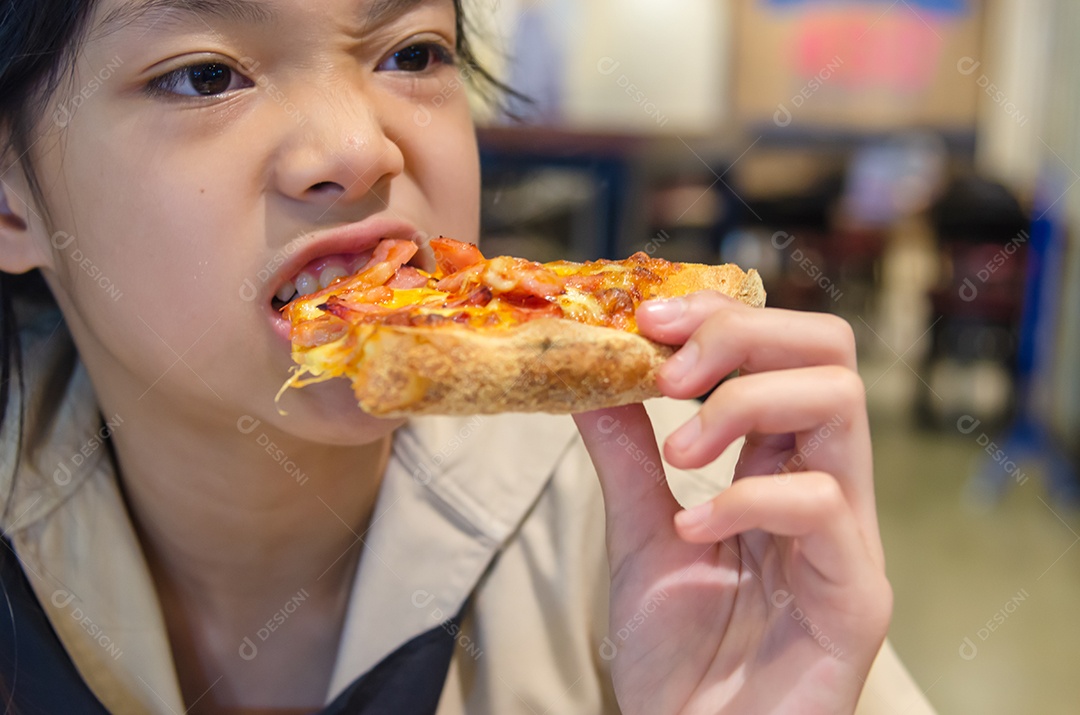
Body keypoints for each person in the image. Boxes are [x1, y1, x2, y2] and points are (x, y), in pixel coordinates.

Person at [0, 1, 933, 713]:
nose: (359, 149)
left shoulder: (705, 510)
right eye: (205, 76)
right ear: (12, 199)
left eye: (414, 54)